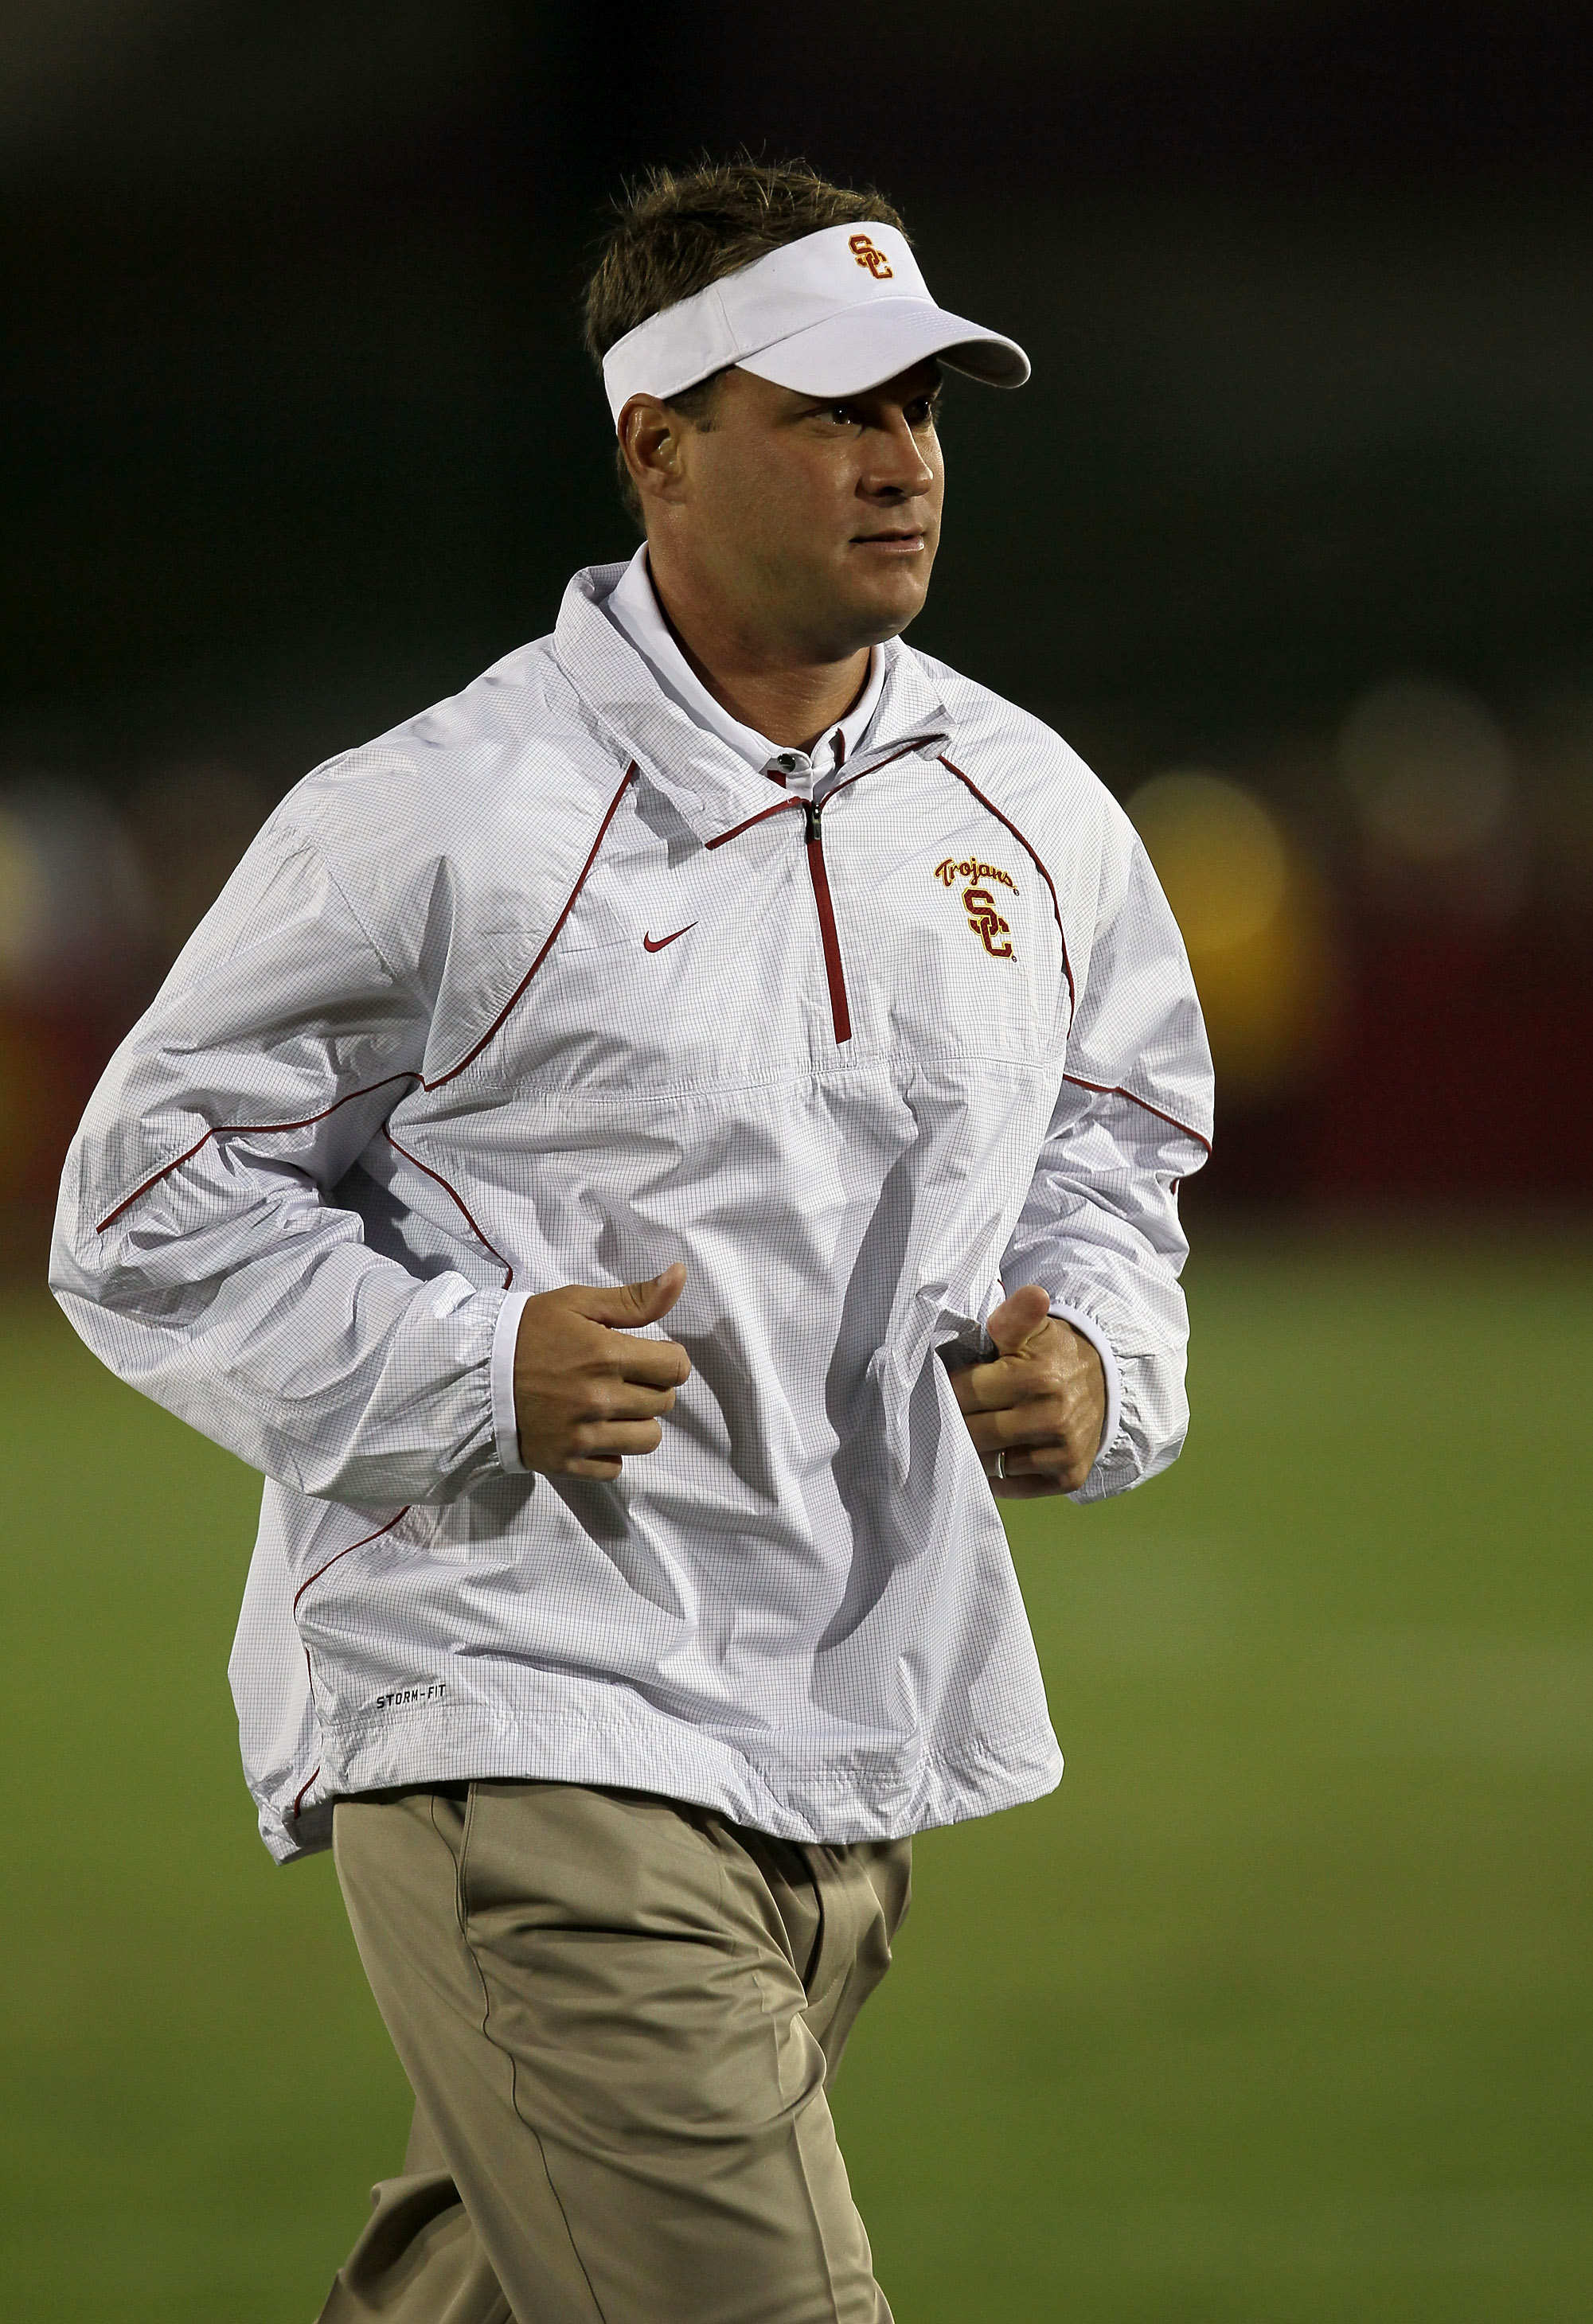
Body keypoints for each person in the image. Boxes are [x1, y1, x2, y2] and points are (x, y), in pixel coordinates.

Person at [51, 159, 1212, 2324]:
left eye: (927, 412)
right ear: (655, 445)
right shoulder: (441, 815)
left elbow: (1110, 1147)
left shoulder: (1029, 804)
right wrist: (464, 1371)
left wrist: (1099, 1361)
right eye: (833, 410)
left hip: (842, 1716)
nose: (900, 463)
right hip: (522, 1712)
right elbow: (140, 1201)